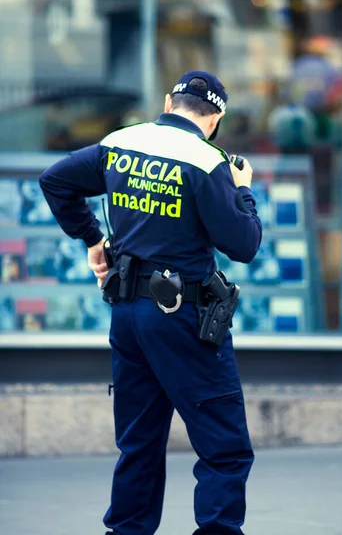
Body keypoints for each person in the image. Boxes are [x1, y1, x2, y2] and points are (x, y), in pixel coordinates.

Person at [39, 71, 262, 535]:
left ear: (168, 101)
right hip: (184, 320)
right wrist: (242, 189)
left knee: (139, 444)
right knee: (225, 450)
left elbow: (55, 181)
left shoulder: (121, 141)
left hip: (128, 315)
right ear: (216, 118)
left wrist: (93, 239)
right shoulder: (207, 161)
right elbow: (243, 244)